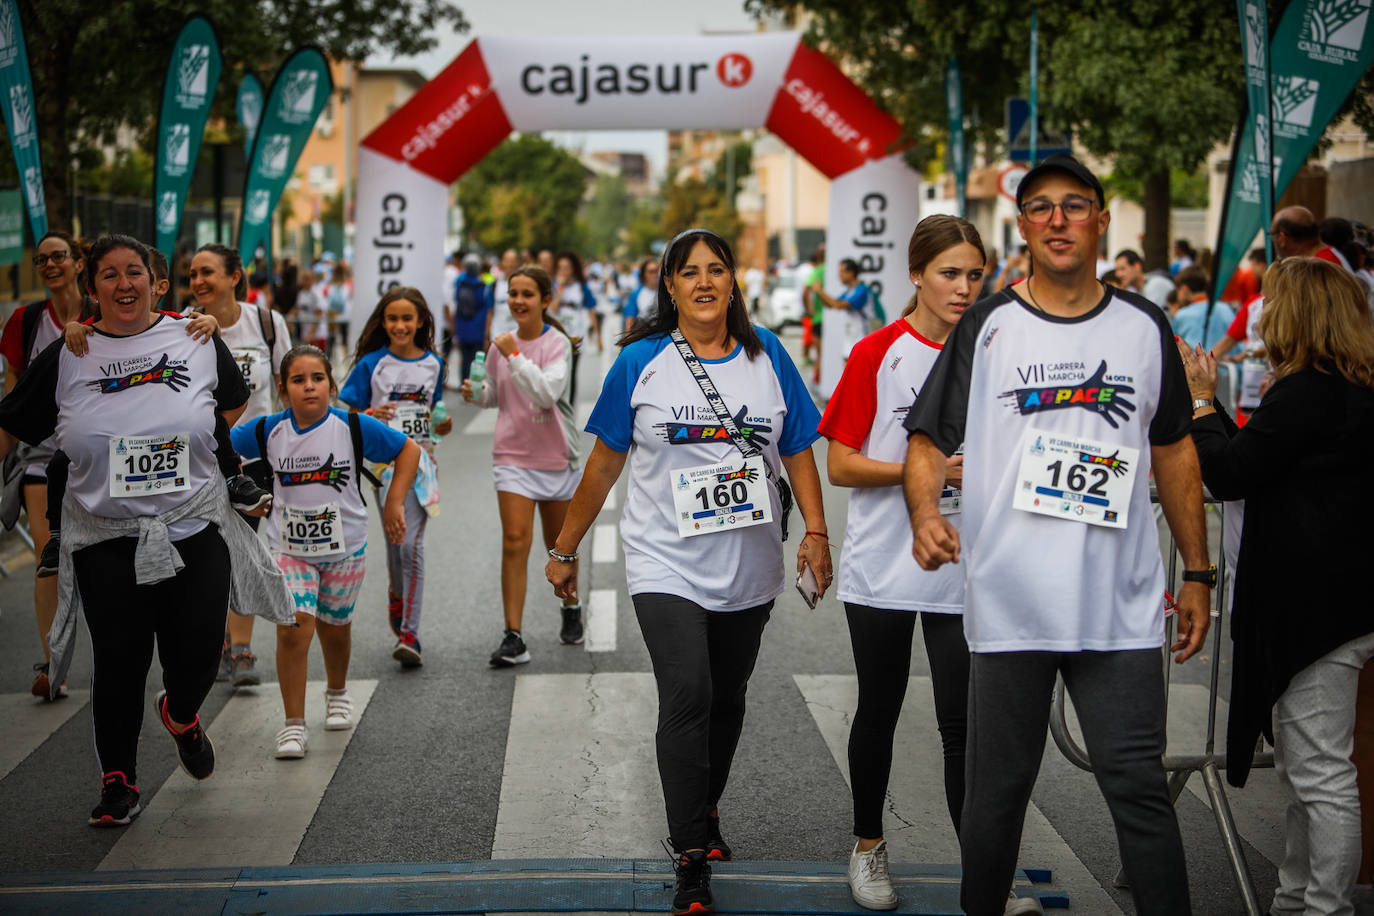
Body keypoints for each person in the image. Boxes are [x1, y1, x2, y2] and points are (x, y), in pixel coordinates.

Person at [902, 154, 1211, 916]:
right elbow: (923, 441)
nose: (1058, 220)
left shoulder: (1143, 326)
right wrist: (925, 515)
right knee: (998, 795)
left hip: (1118, 608)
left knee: (1138, 788)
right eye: (1040, 209)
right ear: (1025, 226)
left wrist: (1198, 573)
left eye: (1075, 206)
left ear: (1102, 221)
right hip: (1011, 607)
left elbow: (1173, 448)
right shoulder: (988, 323)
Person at [545, 228, 831, 916]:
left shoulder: (768, 360)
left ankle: (703, 812)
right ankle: (690, 855)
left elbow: (797, 452)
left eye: (717, 269)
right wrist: (564, 548)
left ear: (734, 282)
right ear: (668, 286)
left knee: (728, 698)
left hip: (749, 563)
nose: (704, 282)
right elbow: (606, 461)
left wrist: (817, 532)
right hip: (662, 558)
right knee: (690, 694)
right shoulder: (642, 361)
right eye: (689, 272)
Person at [0, 234, 292, 825]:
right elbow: (15, 422)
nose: (123, 284)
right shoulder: (68, 354)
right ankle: (118, 782)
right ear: (92, 286)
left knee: (200, 653)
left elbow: (231, 404)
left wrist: (191, 443)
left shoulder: (194, 337)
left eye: (134, 272)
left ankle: (181, 713)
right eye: (108, 275)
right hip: (107, 535)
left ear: (155, 282)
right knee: (119, 660)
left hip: (192, 526)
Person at [817, 215, 1034, 913]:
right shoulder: (877, 352)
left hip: (965, 563)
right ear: (916, 274)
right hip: (885, 559)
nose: (965, 287)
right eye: (950, 273)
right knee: (878, 708)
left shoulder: (1001, 354)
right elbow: (842, 464)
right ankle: (868, 848)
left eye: (976, 274)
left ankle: (985, 878)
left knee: (964, 724)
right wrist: (929, 469)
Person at [1180, 256, 1374, 916]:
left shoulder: (1310, 390)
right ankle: (1297, 900)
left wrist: (1203, 399)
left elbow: (1233, 471)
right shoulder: (1350, 386)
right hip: (1334, 603)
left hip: (1315, 610)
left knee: (1318, 772)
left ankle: (1324, 908)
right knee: (1305, 770)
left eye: (1271, 307)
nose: (1260, 321)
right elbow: (1264, 460)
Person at [232, 345, 420, 759]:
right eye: (298, 380)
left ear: (331, 385)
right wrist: (244, 493)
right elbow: (218, 449)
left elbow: (409, 451)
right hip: (288, 549)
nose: (309, 387)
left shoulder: (352, 426)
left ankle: (336, 692)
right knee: (295, 626)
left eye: (317, 378)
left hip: (345, 548)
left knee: (335, 628)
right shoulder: (266, 431)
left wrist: (393, 503)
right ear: (283, 389)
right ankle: (293, 725)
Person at [461, 266, 584, 666]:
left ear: (546, 300)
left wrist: (513, 353)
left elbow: (546, 394)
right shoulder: (501, 346)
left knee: (559, 548)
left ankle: (569, 608)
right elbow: (496, 395)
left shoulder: (556, 344)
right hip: (513, 455)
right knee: (515, 541)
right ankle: (513, 635)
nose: (518, 301)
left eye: (527, 294)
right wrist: (477, 394)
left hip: (555, 457)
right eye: (513, 293)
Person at [186, 242, 291, 687]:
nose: (198, 282)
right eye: (192, 274)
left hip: (253, 461)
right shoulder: (180, 328)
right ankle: (215, 641)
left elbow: (287, 380)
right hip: (197, 460)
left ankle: (241, 646)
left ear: (235, 276)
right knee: (209, 555)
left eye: (207, 272)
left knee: (245, 549)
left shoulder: (266, 323)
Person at [0, 230, 94, 698]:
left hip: (99, 451)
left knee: (99, 556)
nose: (51, 265)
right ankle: (51, 662)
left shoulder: (108, 312)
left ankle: (116, 650)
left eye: (60, 256)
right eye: (42, 260)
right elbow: (14, 393)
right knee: (47, 556)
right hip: (41, 451)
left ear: (79, 263)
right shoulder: (26, 320)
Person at [340, 287, 451, 666]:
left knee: (410, 545)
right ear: (382, 322)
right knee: (395, 542)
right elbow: (348, 419)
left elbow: (436, 415)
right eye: (392, 318)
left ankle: (410, 634)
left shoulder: (435, 363)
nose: (400, 325)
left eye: (407, 318)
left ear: (421, 321)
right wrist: (370, 414)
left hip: (422, 465)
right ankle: (397, 595)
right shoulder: (371, 364)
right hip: (382, 468)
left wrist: (444, 422)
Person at [553, 252, 596, 399]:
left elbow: (591, 309)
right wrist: (560, 288)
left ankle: (569, 409)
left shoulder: (581, 287)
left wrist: (598, 336)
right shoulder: (554, 286)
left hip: (575, 337)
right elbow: (552, 308)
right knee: (557, 375)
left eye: (567, 268)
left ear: (573, 269)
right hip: (556, 338)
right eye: (561, 268)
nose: (563, 271)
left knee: (571, 376)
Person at [1170, 266, 1234, 351]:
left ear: (1184, 289)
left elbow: (1172, 347)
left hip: (1198, 362)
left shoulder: (1182, 315)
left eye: (1178, 290)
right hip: (1227, 362)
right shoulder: (1226, 308)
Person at [453, 254, 492, 384]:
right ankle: (474, 384)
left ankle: (463, 383)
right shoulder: (484, 284)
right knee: (477, 359)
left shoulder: (459, 281)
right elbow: (489, 309)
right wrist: (487, 333)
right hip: (478, 328)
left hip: (462, 327)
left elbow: (455, 303)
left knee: (464, 358)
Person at [810, 258, 873, 325]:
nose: (839, 275)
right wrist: (818, 293)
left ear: (851, 273)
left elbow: (838, 305)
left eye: (842, 271)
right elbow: (830, 304)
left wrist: (820, 291)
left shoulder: (861, 291)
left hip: (869, 331)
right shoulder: (850, 292)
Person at [487, 249, 521, 341]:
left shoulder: (523, 283)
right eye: (507, 261)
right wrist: (487, 336)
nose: (510, 264)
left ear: (517, 263)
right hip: (497, 335)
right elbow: (490, 311)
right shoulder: (495, 283)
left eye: (513, 261)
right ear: (502, 262)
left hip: (517, 337)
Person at [622, 258, 659, 334]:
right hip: (644, 337)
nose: (655, 274)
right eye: (651, 272)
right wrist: (626, 343)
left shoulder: (666, 292)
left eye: (656, 271)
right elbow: (630, 321)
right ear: (644, 274)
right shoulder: (636, 294)